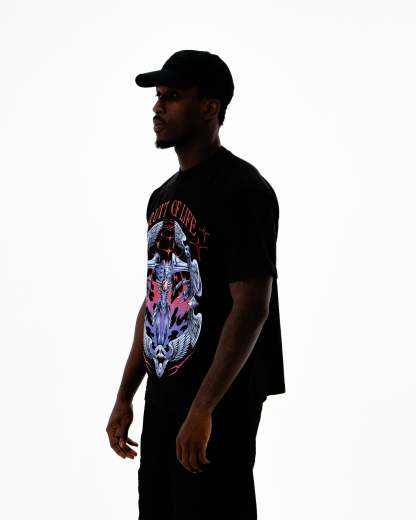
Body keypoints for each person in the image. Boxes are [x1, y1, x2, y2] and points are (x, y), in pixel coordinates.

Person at [106, 49, 285, 520]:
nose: (157, 107)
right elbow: (154, 300)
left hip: (219, 399)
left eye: (172, 96)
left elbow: (252, 306)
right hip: (165, 394)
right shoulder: (161, 198)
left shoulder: (244, 190)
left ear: (209, 108)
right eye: (158, 96)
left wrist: (204, 408)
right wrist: (125, 395)